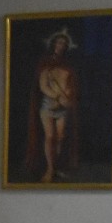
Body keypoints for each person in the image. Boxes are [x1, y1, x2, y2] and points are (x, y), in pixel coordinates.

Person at [26, 29, 80, 183]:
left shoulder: (68, 65)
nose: (61, 46)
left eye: (64, 43)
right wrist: (57, 96)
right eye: (59, 42)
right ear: (53, 44)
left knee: (60, 137)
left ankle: (55, 167)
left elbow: (71, 84)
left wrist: (68, 95)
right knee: (50, 137)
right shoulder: (45, 63)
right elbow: (43, 85)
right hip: (48, 105)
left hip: (63, 106)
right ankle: (49, 169)